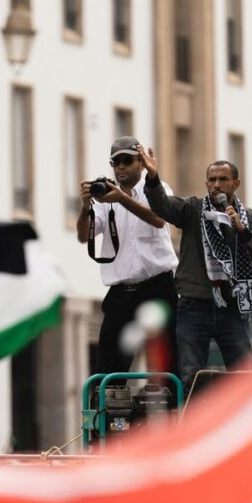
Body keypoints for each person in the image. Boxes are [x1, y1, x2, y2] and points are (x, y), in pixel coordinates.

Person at [139, 147, 252, 388]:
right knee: (191, 377)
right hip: (194, 305)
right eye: (212, 180)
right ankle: (191, 422)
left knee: (244, 377)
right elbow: (163, 206)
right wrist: (152, 177)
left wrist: (242, 231)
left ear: (236, 183)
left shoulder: (250, 218)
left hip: (233, 307)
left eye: (223, 179)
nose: (217, 185)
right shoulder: (193, 210)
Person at [76, 136, 179, 378]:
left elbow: (158, 218)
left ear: (141, 164)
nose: (120, 167)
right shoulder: (105, 196)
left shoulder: (157, 190)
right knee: (109, 364)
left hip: (158, 287)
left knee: (171, 360)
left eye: (127, 161)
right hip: (122, 291)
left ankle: (175, 412)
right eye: (115, 162)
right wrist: (84, 207)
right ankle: (113, 414)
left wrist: (122, 199)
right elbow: (83, 236)